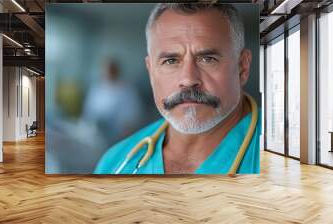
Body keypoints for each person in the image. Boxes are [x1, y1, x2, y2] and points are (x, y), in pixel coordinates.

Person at [94, 3, 261, 174]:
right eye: (171, 61)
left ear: (242, 67)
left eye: (207, 59)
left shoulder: (280, 151)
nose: (188, 80)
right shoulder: (114, 163)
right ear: (151, 71)